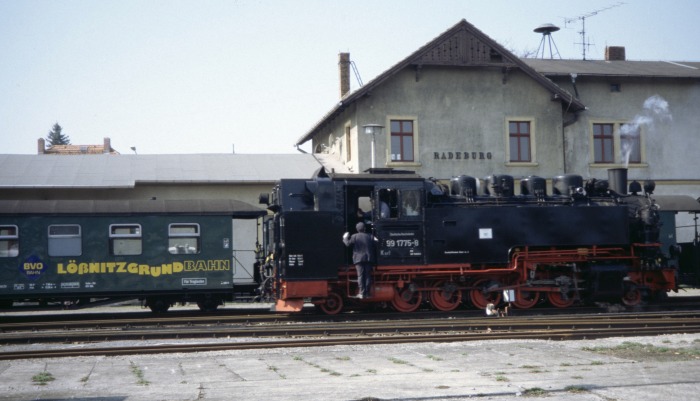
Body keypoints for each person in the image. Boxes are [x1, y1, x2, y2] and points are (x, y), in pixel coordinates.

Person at [342, 222, 376, 299]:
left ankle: (362, 292)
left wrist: (344, 238)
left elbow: (347, 244)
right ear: (364, 228)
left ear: (357, 229)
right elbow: (376, 243)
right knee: (367, 276)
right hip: (368, 259)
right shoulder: (370, 236)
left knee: (360, 276)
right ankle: (367, 293)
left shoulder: (354, 236)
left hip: (358, 259)